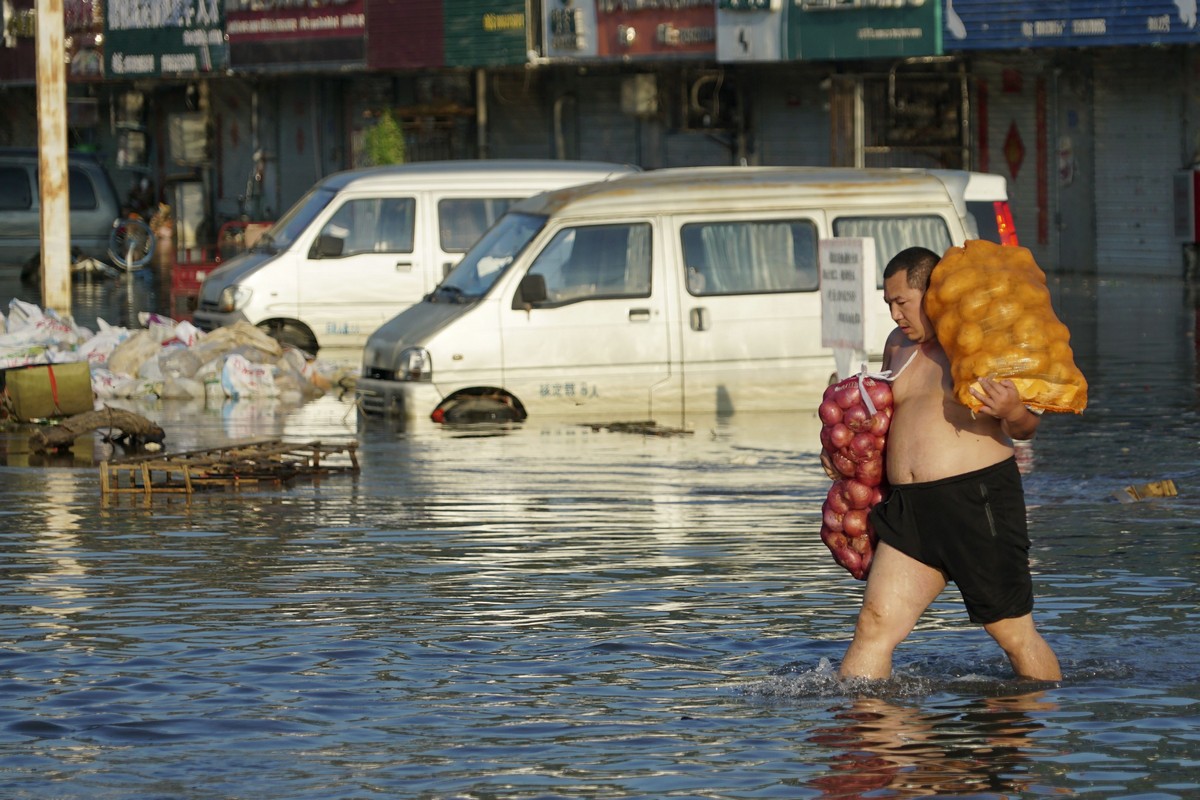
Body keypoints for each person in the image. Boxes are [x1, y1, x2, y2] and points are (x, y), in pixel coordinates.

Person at [839, 246, 1061, 682]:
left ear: (932, 292)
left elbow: (1026, 427)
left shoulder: (978, 341)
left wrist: (1013, 408)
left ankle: (1038, 730)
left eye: (902, 301)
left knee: (1013, 634)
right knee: (874, 626)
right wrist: (846, 453)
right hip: (911, 510)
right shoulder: (897, 346)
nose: (895, 314)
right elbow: (885, 420)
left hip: (976, 503)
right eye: (888, 304)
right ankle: (865, 742)